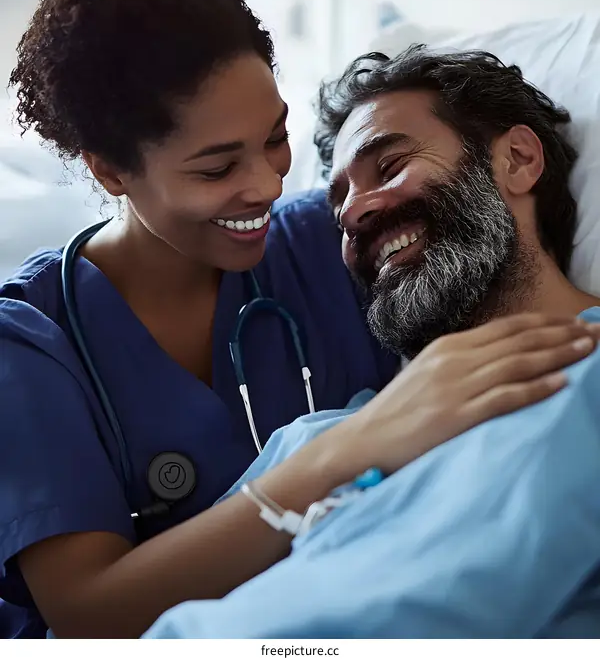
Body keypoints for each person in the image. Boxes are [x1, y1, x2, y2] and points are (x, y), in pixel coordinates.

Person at [0, 0, 570, 640]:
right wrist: (349, 448)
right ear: (113, 171)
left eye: (274, 140)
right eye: (217, 167)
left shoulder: (338, 238)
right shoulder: (31, 337)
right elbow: (92, 618)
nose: (269, 186)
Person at [143, 47, 600, 639]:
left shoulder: (586, 385)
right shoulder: (312, 444)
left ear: (516, 158)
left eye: (389, 168)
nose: (354, 214)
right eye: (339, 209)